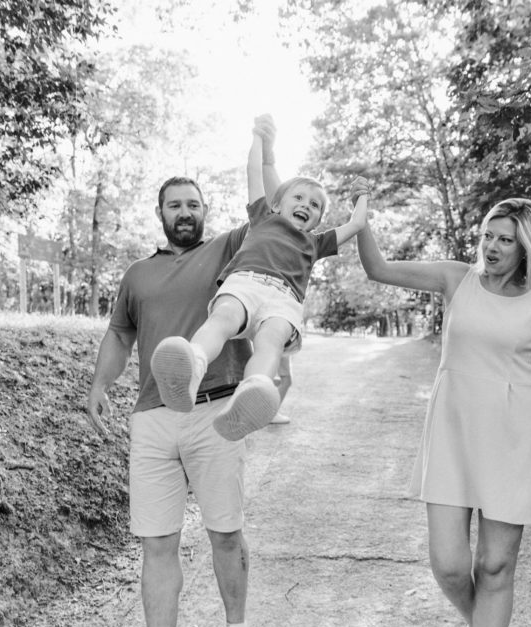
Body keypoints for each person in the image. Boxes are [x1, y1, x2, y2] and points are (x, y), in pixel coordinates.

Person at [355, 190, 531, 627]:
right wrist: (361, 220)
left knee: (495, 567)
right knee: (448, 565)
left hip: (513, 440)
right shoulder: (455, 278)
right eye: (488, 235)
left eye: (505, 240)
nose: (492, 246)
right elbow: (378, 269)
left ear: (526, 247)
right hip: (453, 433)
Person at [86, 172, 269, 627]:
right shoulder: (137, 274)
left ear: (205, 210)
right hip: (152, 418)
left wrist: (260, 148)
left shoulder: (230, 251)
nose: (184, 213)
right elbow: (120, 335)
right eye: (174, 205)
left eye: (193, 204)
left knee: (225, 534)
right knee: (157, 543)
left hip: (217, 411)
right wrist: (100, 383)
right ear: (160, 213)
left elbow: (265, 215)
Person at [151, 115, 368, 441]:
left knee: (270, 342)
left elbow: (356, 224)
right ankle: (191, 368)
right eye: (298, 198)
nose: (306, 206)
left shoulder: (316, 242)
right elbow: (254, 171)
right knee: (223, 319)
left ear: (318, 221)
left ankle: (250, 394)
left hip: (284, 301)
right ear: (277, 202)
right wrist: (257, 139)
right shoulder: (261, 217)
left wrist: (361, 196)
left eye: (315, 206)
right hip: (246, 283)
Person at [269, 355, 292, 425]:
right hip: (282, 348)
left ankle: (270, 412)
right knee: (286, 380)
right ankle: (272, 414)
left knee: (273, 378)